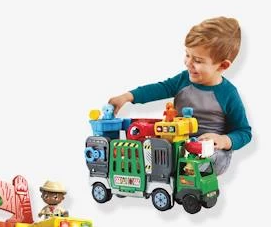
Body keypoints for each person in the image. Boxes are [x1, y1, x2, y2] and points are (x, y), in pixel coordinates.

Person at [108, 17, 252, 175]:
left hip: (209, 151)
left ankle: (180, 170)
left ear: (222, 65)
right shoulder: (183, 80)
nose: (188, 63)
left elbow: (244, 132)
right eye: (187, 55)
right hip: (178, 143)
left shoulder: (228, 94)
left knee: (206, 159)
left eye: (198, 60)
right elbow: (160, 88)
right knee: (149, 145)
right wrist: (128, 96)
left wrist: (224, 140)